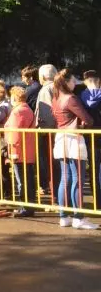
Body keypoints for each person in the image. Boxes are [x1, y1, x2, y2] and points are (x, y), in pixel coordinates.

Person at [51, 69, 98, 229]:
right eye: (72, 81)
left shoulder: (56, 98)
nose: (75, 83)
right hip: (74, 140)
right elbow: (88, 120)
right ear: (66, 82)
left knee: (65, 178)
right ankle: (78, 218)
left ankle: (64, 216)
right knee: (77, 179)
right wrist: (82, 124)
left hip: (61, 138)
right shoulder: (71, 98)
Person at [4, 86, 37, 216]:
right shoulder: (27, 109)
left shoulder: (17, 112)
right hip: (27, 150)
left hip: (19, 152)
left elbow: (14, 134)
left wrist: (13, 153)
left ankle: (25, 208)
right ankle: (29, 206)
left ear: (14, 98)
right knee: (28, 180)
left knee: (22, 181)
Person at [35, 64, 58, 196]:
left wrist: (43, 130)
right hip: (58, 130)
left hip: (48, 132)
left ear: (43, 76)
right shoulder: (59, 86)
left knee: (49, 162)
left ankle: (53, 191)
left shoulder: (45, 90)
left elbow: (46, 114)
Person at [80, 69, 101, 199]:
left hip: (91, 138)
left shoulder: (82, 95)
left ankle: (98, 201)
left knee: (94, 169)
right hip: (94, 137)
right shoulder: (85, 94)